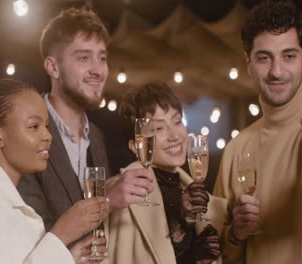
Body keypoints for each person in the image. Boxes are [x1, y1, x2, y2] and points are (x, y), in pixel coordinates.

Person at [17, 7, 155, 235]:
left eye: (102, 58)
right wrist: (108, 202)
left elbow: (99, 231)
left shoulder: (97, 137)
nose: (98, 70)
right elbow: (29, 234)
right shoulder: (25, 132)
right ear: (53, 67)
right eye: (84, 57)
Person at [0, 78, 108, 263]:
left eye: (46, 126)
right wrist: (61, 234)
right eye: (33, 127)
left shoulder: (0, 194)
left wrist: (69, 257)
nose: (47, 136)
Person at [213, 1, 302, 263]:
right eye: (264, 58)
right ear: (248, 62)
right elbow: (215, 253)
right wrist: (235, 234)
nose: (276, 71)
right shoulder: (236, 149)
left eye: (289, 56)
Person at [103, 82, 228, 264]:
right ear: (135, 146)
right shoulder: (119, 195)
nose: (175, 135)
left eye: (177, 121)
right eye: (158, 128)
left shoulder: (195, 194)